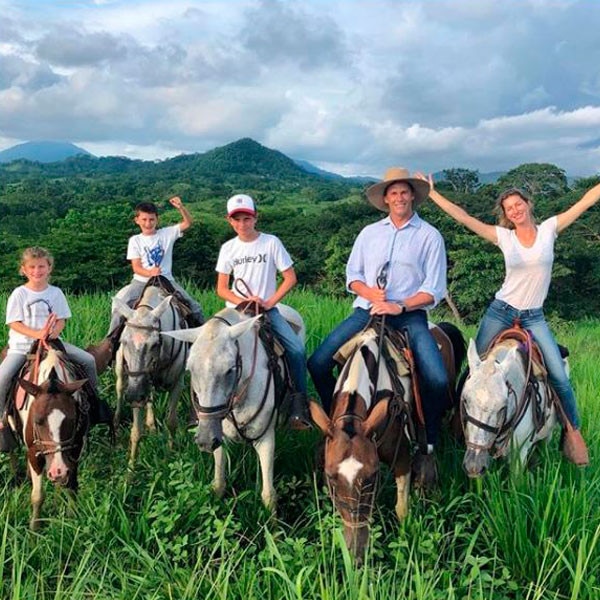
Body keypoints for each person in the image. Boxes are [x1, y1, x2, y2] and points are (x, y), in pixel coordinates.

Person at [418, 173, 600, 466]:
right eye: (509, 208)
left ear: (528, 204)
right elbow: (464, 218)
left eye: (518, 204)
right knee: (472, 371)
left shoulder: (549, 229)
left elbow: (585, 201)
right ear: (505, 215)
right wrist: (433, 193)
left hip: (533, 317)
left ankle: (572, 432)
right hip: (501, 310)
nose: (515, 210)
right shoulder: (505, 237)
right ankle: (456, 423)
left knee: (558, 374)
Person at [307, 167, 450, 484]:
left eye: (404, 192)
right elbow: (352, 276)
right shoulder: (369, 233)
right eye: (393, 193)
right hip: (367, 311)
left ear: (413, 196)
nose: (399, 198)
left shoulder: (429, 236)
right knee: (317, 363)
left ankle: (427, 441)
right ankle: (341, 427)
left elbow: (434, 290)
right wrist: (369, 292)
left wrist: (399, 304)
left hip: (408, 316)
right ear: (385, 199)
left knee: (437, 379)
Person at [215, 193, 311, 430]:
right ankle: (200, 410)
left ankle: (299, 404)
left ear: (255, 217)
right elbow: (221, 289)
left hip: (267, 310)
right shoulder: (228, 248)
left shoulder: (271, 242)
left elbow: (290, 278)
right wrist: (243, 301)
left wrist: (269, 302)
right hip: (236, 312)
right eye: (236, 220)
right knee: (207, 349)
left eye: (246, 218)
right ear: (229, 221)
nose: (241, 224)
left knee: (297, 350)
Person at [0, 247, 106, 442]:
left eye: (41, 266)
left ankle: (93, 404)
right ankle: (2, 418)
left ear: (49, 268)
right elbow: (14, 323)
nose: (36, 271)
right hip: (22, 346)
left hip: (52, 343)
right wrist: (37, 334)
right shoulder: (19, 294)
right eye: (32, 267)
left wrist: (54, 331)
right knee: (2, 376)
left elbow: (62, 319)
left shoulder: (55, 293)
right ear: (24, 269)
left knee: (88, 360)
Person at [107, 196, 204, 334]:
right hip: (141, 281)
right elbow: (137, 267)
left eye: (151, 219)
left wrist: (181, 207)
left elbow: (188, 223)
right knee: (119, 307)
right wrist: (150, 273)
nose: (148, 223)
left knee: (195, 308)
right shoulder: (135, 240)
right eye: (144, 219)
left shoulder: (167, 234)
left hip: (165, 280)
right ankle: (110, 343)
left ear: (157, 219)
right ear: (137, 220)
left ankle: (202, 340)